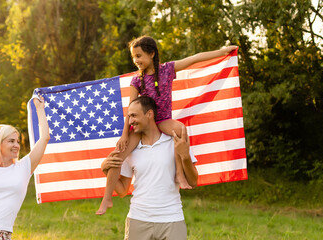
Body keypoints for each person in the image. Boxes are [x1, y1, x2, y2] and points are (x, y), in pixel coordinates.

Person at [96, 35, 237, 215]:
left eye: (139, 56)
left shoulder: (167, 70)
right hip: (140, 124)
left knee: (180, 129)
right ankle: (107, 199)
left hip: (162, 121)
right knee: (117, 155)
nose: (136, 60)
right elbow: (130, 110)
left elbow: (194, 59)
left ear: (152, 53)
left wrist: (222, 52)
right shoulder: (136, 81)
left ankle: (179, 173)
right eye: (133, 57)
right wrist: (125, 134)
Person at [101, 96, 199, 239]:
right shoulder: (130, 149)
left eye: (134, 115)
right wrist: (105, 169)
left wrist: (185, 156)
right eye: (129, 116)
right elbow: (122, 191)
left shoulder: (175, 140)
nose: (130, 121)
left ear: (149, 114)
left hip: (172, 219)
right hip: (138, 219)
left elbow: (193, 182)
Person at [0, 95, 50, 240]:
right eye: (11, 141)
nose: (16, 145)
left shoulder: (24, 167)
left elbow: (44, 138)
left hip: (3, 234)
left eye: (18, 141)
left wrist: (39, 109)